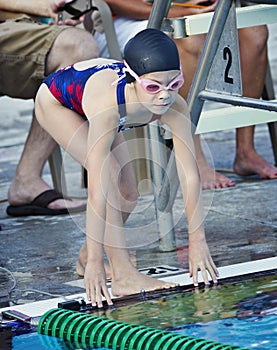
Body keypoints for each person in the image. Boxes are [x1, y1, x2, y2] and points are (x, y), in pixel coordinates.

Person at [35, 28, 219, 307]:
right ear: (133, 81)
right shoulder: (109, 106)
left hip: (100, 100)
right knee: (108, 174)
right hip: (58, 102)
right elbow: (97, 190)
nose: (164, 96)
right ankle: (122, 276)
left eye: (175, 83)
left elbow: (189, 175)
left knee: (129, 192)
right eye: (153, 87)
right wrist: (100, 262)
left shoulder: (175, 105)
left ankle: (84, 258)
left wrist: (198, 240)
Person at [92, 0, 277, 189]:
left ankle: (246, 150)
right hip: (127, 19)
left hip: (194, 10)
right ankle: (193, 156)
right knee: (187, 35)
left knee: (255, 32)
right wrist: (180, 9)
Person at [0, 0, 99, 216]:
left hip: (13, 24)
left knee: (79, 48)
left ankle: (27, 180)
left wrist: (48, 13)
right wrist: (36, 6)